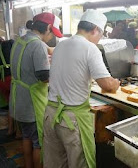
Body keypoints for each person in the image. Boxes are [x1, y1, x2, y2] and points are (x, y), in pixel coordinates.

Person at [43, 9, 120, 168]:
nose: (100, 38)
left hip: (50, 115)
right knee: (79, 163)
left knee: (55, 163)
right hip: (71, 120)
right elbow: (107, 85)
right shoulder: (90, 48)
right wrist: (116, 83)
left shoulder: (61, 45)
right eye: (101, 33)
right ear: (95, 30)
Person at [9, 12, 63, 168]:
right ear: (47, 27)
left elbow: (49, 51)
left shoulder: (21, 40)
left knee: (26, 136)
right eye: (52, 32)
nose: (51, 36)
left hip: (18, 99)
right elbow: (44, 77)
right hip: (32, 102)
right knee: (39, 142)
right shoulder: (37, 44)